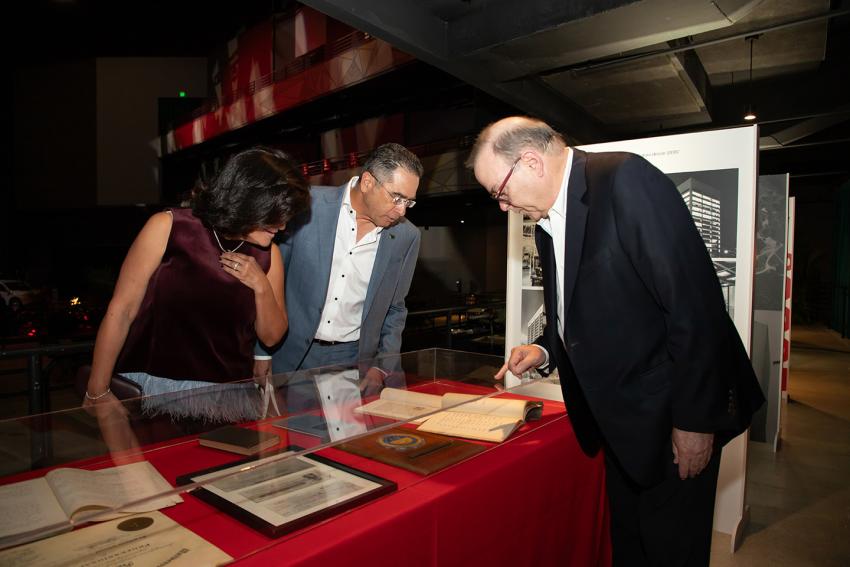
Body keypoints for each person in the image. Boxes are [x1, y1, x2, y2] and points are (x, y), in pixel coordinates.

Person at [466, 116, 765, 566]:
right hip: (620, 427)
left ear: (531, 161)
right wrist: (545, 347)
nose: (503, 207)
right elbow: (582, 310)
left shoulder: (625, 180)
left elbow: (696, 308)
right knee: (629, 548)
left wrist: (695, 423)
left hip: (670, 422)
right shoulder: (549, 220)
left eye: (500, 192)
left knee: (671, 551)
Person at [83, 147, 311, 421]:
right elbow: (122, 310)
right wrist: (97, 387)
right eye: (276, 214)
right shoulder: (169, 227)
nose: (283, 226)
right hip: (151, 389)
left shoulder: (268, 254)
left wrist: (260, 286)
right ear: (248, 201)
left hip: (229, 400)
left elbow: (272, 337)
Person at [254, 143, 422, 397]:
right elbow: (270, 280)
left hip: (353, 360)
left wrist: (382, 366)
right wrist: (262, 350)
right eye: (397, 198)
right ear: (367, 182)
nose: (402, 211)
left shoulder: (406, 236)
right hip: (289, 354)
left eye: (409, 202)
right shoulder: (306, 205)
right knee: (290, 435)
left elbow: (395, 308)